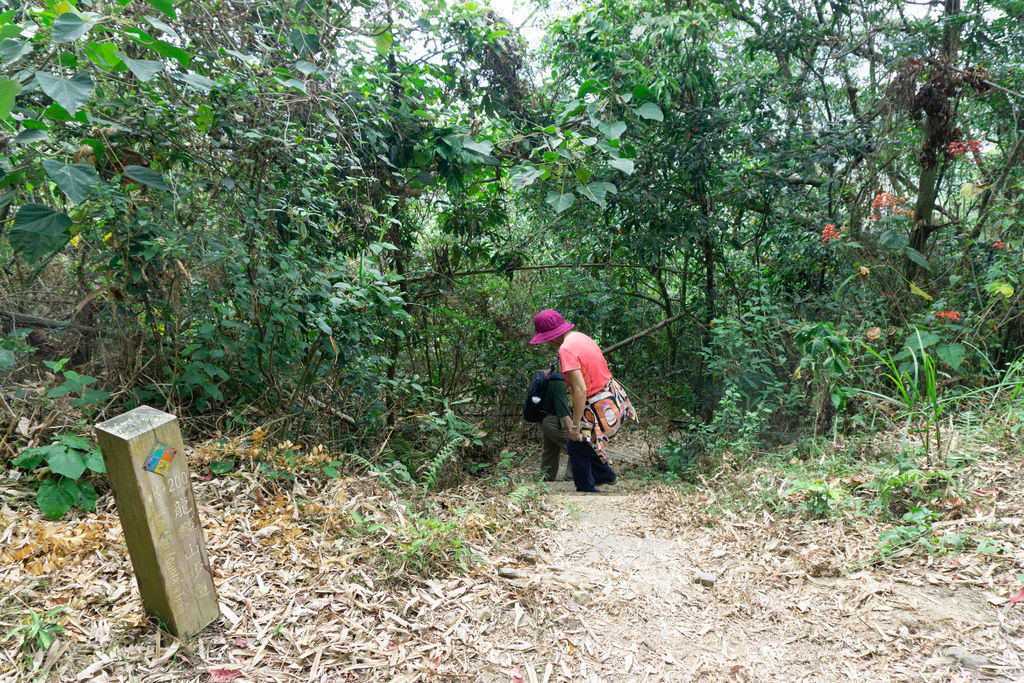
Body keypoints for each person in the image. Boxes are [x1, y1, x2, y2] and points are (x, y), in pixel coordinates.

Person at [529, 309, 636, 492]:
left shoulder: (565, 349)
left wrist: (576, 425)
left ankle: (587, 489)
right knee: (582, 444)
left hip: (596, 402)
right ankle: (605, 475)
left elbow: (580, 389)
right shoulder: (580, 337)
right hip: (611, 395)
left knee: (576, 443)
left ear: (551, 336)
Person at [538, 361, 573, 482]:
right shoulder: (558, 380)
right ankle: (571, 477)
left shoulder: (554, 376)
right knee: (576, 447)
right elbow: (563, 411)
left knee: (550, 451)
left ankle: (546, 479)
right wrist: (573, 431)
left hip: (548, 419)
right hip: (555, 421)